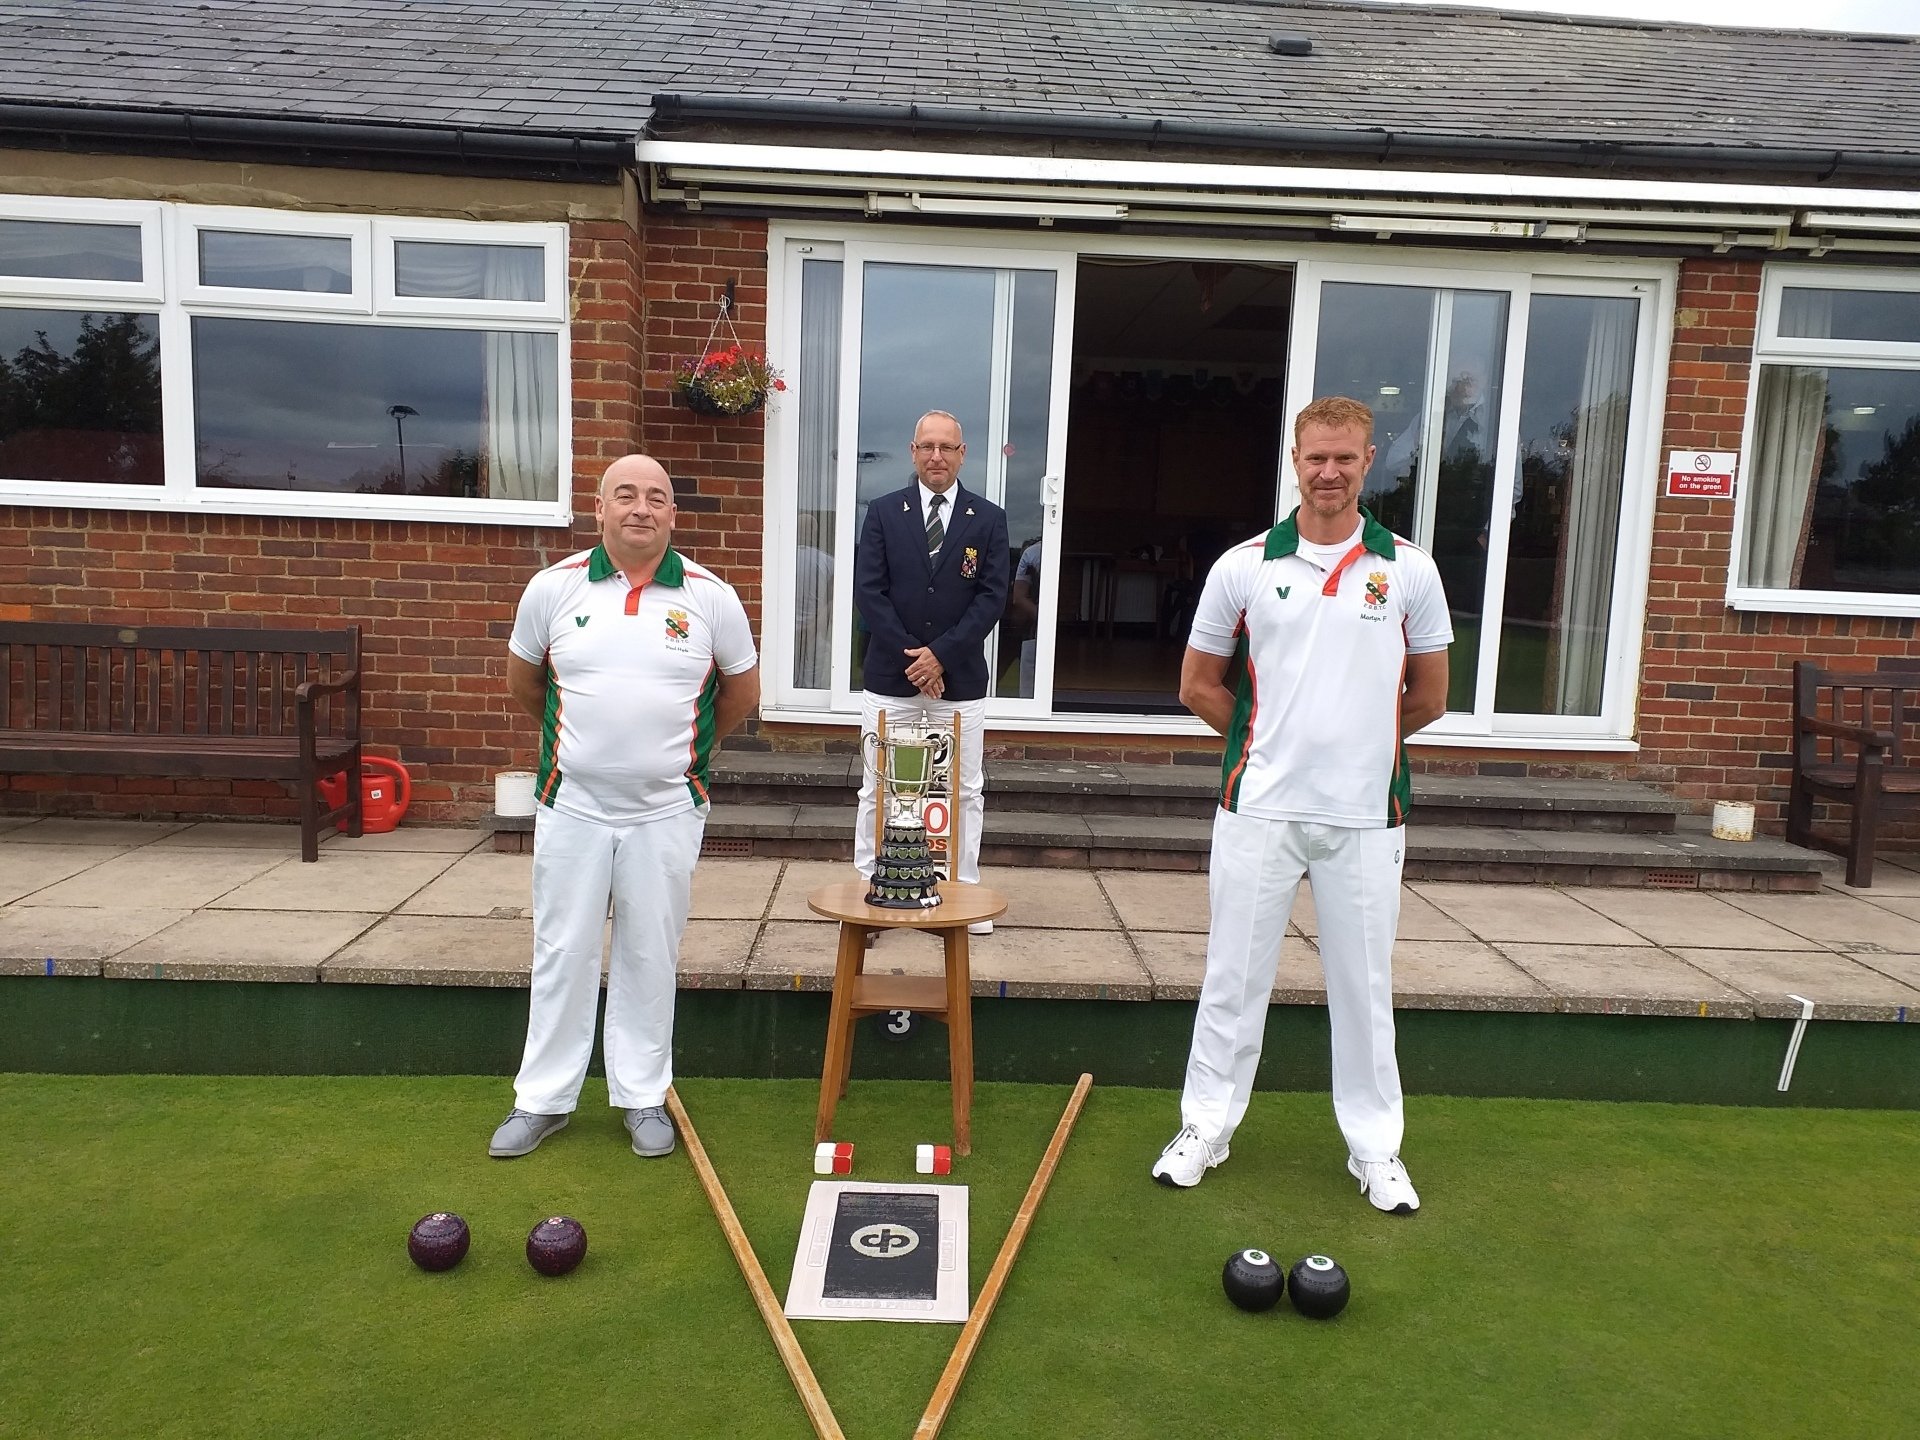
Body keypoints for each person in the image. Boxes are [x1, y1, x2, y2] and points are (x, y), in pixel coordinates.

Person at [1151, 395, 1452, 1215]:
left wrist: (1357, 746)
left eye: (1345, 458)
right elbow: (1196, 685)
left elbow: (1428, 696)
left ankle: (1376, 1152)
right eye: (1315, 457)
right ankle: (1204, 1128)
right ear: (1295, 459)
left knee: (1365, 989)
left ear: (1368, 459)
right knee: (1232, 979)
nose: (1329, 473)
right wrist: (1266, 740)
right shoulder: (1244, 565)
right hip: (1260, 809)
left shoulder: (1409, 569)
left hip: (1365, 817)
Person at [490, 454, 760, 1160]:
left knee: (649, 952)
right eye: (627, 495)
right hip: (571, 805)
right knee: (562, 949)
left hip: (666, 810)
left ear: (673, 514)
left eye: (657, 498)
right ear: (601, 508)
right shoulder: (552, 588)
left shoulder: (710, 596)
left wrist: (681, 758)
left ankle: (643, 1097)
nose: (642, 508)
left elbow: (742, 696)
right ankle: (542, 1100)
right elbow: (526, 684)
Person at [853, 410, 1010, 934]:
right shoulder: (881, 513)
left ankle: (962, 893)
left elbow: (992, 598)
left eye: (947, 447)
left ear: (963, 453)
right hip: (891, 681)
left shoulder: (988, 518)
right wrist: (917, 662)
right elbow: (869, 594)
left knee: (964, 789)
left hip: (958, 682)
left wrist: (940, 657)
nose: (936, 456)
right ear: (912, 451)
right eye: (927, 447)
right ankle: (868, 893)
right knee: (880, 787)